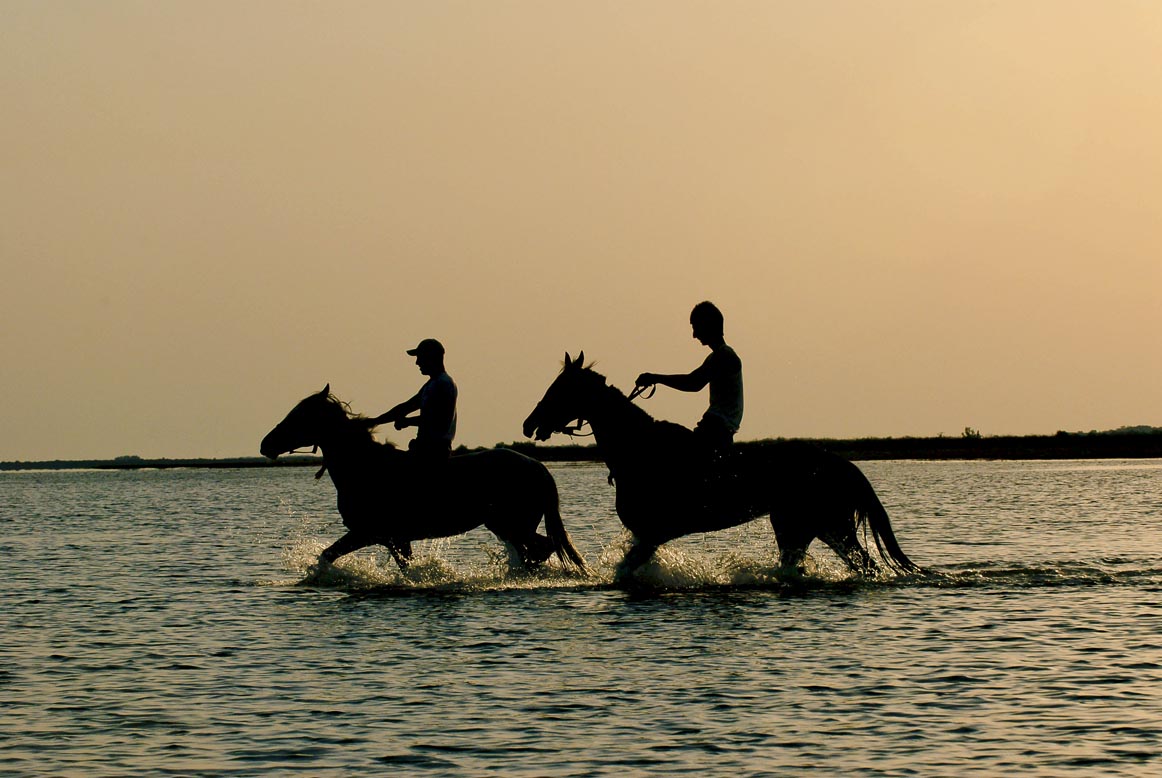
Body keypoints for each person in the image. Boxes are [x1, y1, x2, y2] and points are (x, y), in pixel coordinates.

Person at [635, 301, 743, 457]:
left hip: (715, 431)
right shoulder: (718, 356)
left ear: (707, 326)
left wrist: (655, 378)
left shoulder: (724, 356)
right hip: (716, 430)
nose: (694, 335)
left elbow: (693, 383)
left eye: (695, 327)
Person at [366, 338, 458, 464]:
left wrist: (407, 421)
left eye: (420, 357)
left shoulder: (443, 384)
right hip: (423, 448)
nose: (417, 362)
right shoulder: (432, 385)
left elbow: (438, 420)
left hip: (433, 452)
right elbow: (405, 407)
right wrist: (375, 421)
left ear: (431, 358)